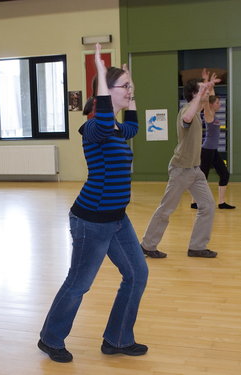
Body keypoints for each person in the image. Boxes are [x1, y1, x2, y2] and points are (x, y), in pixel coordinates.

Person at [38, 43, 149, 363]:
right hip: (92, 220)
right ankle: (51, 338)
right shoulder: (95, 127)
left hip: (117, 219)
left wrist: (132, 98)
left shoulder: (116, 128)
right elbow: (103, 119)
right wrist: (101, 74)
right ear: (106, 91)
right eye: (125, 85)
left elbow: (134, 126)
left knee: (137, 274)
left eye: (131, 85)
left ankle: (117, 338)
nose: (130, 89)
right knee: (79, 283)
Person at [141, 73, 220, 259]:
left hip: (195, 169)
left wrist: (208, 90)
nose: (206, 91)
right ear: (194, 93)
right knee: (166, 209)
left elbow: (209, 115)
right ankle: (147, 245)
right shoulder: (186, 111)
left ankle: (197, 247)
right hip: (181, 169)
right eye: (201, 89)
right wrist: (202, 93)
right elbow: (187, 119)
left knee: (208, 206)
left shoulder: (200, 112)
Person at [191, 69, 235, 210]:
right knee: (201, 177)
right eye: (217, 103)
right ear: (211, 105)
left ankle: (221, 202)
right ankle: (194, 202)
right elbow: (206, 101)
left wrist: (212, 86)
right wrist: (205, 83)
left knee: (224, 174)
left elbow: (211, 97)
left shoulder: (213, 114)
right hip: (207, 150)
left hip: (213, 150)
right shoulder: (208, 114)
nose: (219, 104)